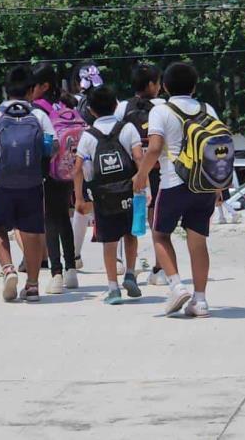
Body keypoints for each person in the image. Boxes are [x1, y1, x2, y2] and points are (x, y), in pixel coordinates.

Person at [136, 62, 220, 318]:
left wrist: (140, 176)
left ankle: (176, 285)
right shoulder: (208, 109)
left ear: (164, 86)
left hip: (174, 182)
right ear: (194, 86)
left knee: (160, 235)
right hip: (205, 184)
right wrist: (218, 186)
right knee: (198, 241)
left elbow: (154, 148)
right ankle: (201, 300)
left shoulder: (161, 111)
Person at [0, 65, 55, 302]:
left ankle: (8, 269)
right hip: (32, 183)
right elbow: (53, 146)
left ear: (6, 89)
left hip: (2, 184)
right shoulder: (39, 116)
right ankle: (32, 285)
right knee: (31, 233)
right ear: (32, 90)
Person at [73, 85, 144, 305]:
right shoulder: (128, 128)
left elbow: (78, 169)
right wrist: (145, 188)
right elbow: (139, 158)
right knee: (131, 235)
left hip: (103, 196)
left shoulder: (88, 136)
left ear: (91, 110)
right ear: (115, 105)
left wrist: (79, 198)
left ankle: (113, 288)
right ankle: (130, 273)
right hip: (129, 192)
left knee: (109, 242)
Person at [116, 62, 168, 285]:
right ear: (151, 84)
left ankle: (126, 265)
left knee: (127, 220)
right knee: (157, 219)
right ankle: (159, 268)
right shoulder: (164, 106)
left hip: (131, 172)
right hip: (160, 170)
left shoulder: (123, 107)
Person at [31, 63, 80, 294]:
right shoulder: (65, 104)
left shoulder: (38, 109)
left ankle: (56, 273)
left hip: (49, 170)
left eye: (35, 85)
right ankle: (71, 271)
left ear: (44, 85)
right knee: (63, 218)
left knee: (50, 220)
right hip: (68, 168)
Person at [70, 61, 105, 271]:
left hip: (82, 157)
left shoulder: (73, 102)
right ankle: (117, 260)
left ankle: (73, 256)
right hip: (108, 156)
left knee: (80, 207)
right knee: (111, 206)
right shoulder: (111, 99)